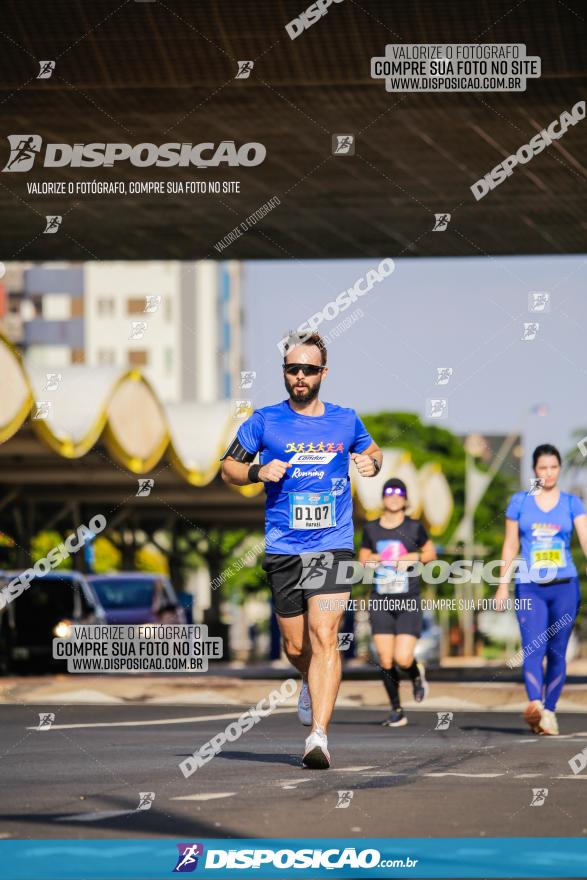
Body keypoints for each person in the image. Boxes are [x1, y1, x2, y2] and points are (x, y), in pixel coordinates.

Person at [220, 331, 382, 768]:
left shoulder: (346, 420)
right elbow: (228, 468)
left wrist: (371, 462)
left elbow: (373, 451)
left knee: (325, 636)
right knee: (295, 647)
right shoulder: (264, 420)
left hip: (333, 545)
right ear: (285, 373)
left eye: (309, 369)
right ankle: (310, 682)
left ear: (323, 373)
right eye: (293, 369)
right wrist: (257, 469)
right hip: (284, 546)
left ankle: (318, 737)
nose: (300, 376)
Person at [496, 444, 587, 736]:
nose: (548, 473)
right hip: (529, 587)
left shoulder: (573, 503)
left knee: (557, 652)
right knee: (532, 648)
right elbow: (510, 545)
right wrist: (502, 586)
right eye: (542, 468)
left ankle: (549, 710)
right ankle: (535, 706)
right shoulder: (520, 502)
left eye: (553, 467)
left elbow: (586, 541)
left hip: (565, 587)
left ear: (559, 469)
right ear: (534, 470)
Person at [359, 478, 437, 726]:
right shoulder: (372, 529)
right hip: (381, 599)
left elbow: (430, 555)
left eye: (398, 493)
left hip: (408, 600)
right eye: (389, 493)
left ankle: (416, 674)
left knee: (403, 659)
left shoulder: (414, 528)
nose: (393, 497)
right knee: (385, 659)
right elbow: (363, 559)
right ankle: (397, 710)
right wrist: (380, 558)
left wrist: (411, 556)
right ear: (383, 498)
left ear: (405, 499)